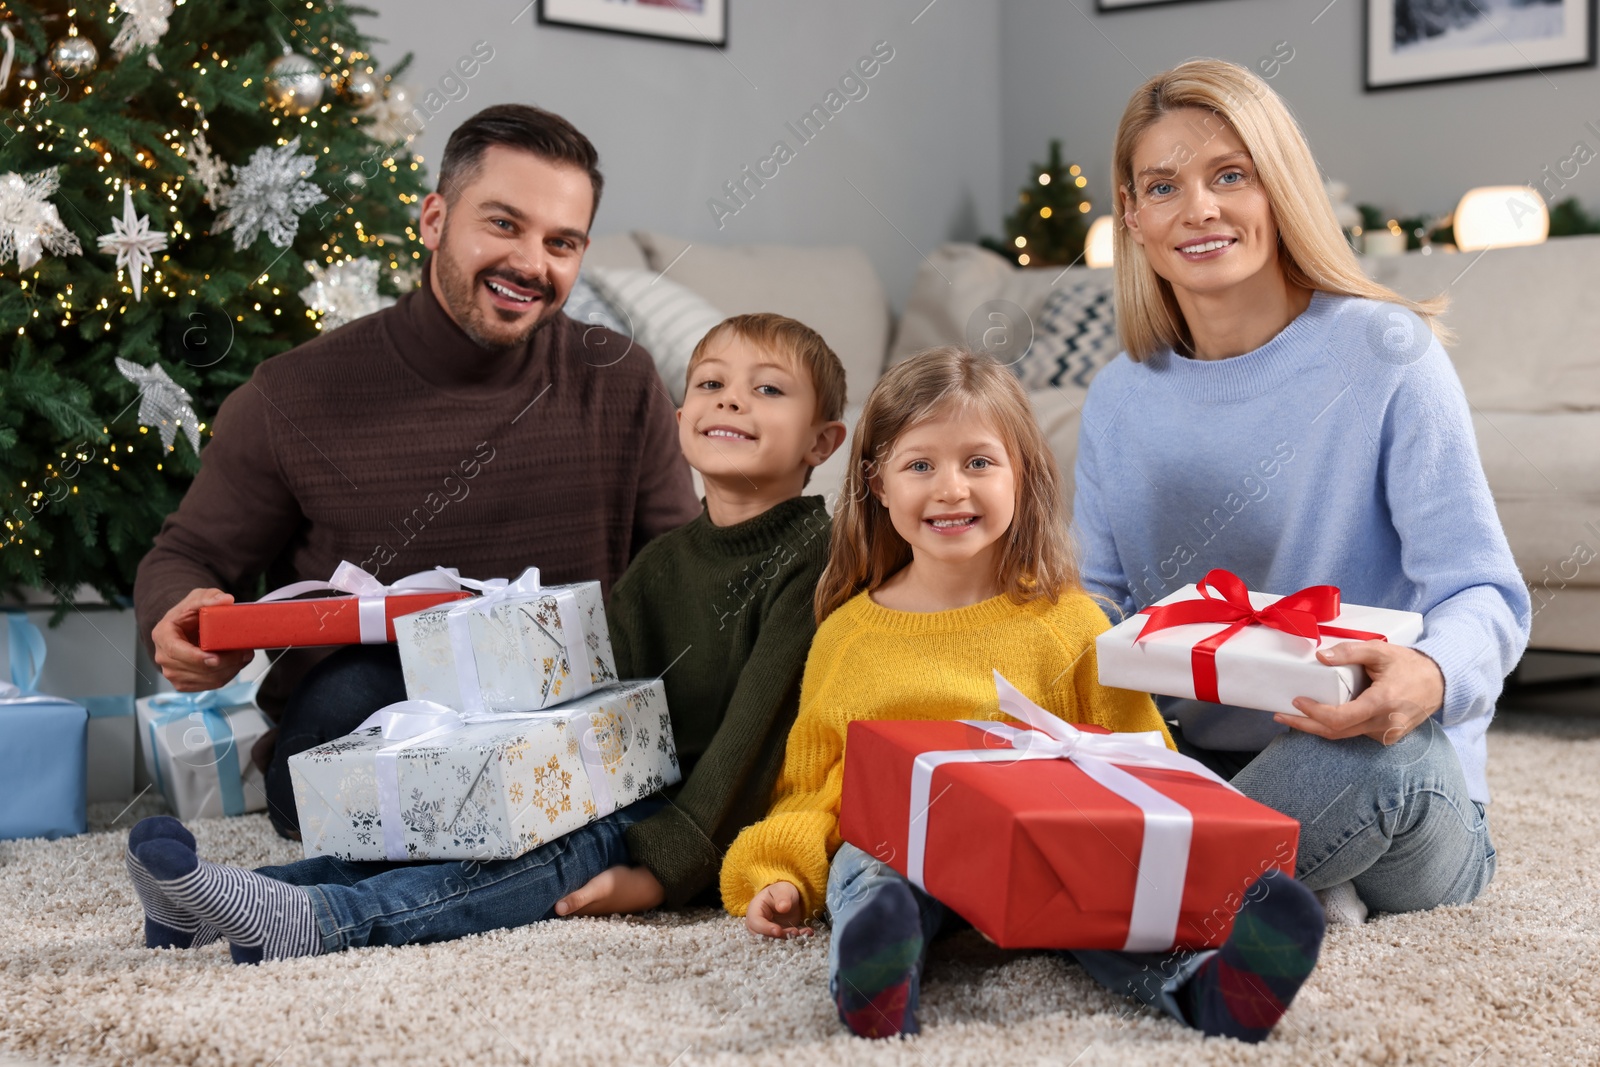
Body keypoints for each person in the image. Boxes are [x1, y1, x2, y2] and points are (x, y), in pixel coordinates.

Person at [122, 312, 850, 959]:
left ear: (824, 439)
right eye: (712, 381)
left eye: (768, 390)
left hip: (701, 815)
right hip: (625, 781)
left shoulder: (813, 563)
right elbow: (590, 687)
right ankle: (212, 905)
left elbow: (752, 740)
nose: (731, 398)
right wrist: (509, 766)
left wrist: (664, 868)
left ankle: (327, 921)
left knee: (541, 850)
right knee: (485, 818)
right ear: (683, 409)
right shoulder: (665, 558)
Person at [720, 348, 1326, 1043]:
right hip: (909, 844)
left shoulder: (1068, 620)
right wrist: (779, 873)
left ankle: (1210, 988)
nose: (952, 489)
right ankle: (876, 967)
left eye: (979, 462)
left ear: (1022, 477)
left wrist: (1176, 856)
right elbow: (814, 782)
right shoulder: (849, 635)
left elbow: (1141, 755)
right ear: (877, 484)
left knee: (1114, 891)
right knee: (871, 867)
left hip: (1049, 856)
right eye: (921, 465)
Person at [132, 104, 699, 839]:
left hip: (564, 706)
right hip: (373, 714)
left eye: (561, 242)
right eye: (503, 224)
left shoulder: (619, 379)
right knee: (348, 728)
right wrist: (181, 614)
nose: (532, 263)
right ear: (434, 220)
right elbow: (186, 556)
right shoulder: (291, 395)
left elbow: (682, 570)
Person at [1073, 59, 1529, 929]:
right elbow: (1101, 605)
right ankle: (1274, 884)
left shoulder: (1388, 353)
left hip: (1383, 763)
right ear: (1132, 216)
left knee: (1367, 760)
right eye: (1163, 185)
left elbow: (1485, 593)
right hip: (1200, 764)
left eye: (1230, 175)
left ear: (1277, 186)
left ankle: (1148, 901)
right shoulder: (1120, 397)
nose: (1199, 209)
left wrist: (1430, 674)